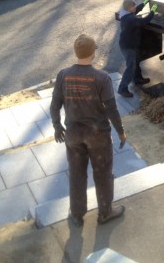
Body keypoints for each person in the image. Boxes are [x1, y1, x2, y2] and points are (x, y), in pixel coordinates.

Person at [50, 34, 127, 227]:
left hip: (73, 134)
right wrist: (120, 131)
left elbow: (54, 105)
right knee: (102, 174)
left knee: (76, 174)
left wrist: (57, 126)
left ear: (76, 52)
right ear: (93, 53)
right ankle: (105, 212)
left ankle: (76, 214)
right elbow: (111, 109)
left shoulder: (63, 75)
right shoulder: (101, 78)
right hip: (98, 135)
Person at [118, 0, 158, 97]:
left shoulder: (126, 13)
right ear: (129, 8)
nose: (135, 7)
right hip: (128, 46)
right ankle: (122, 89)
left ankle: (138, 79)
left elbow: (137, 10)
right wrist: (152, 11)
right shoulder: (130, 19)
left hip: (129, 44)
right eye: (133, 6)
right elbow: (145, 20)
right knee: (131, 67)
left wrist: (144, 3)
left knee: (136, 61)